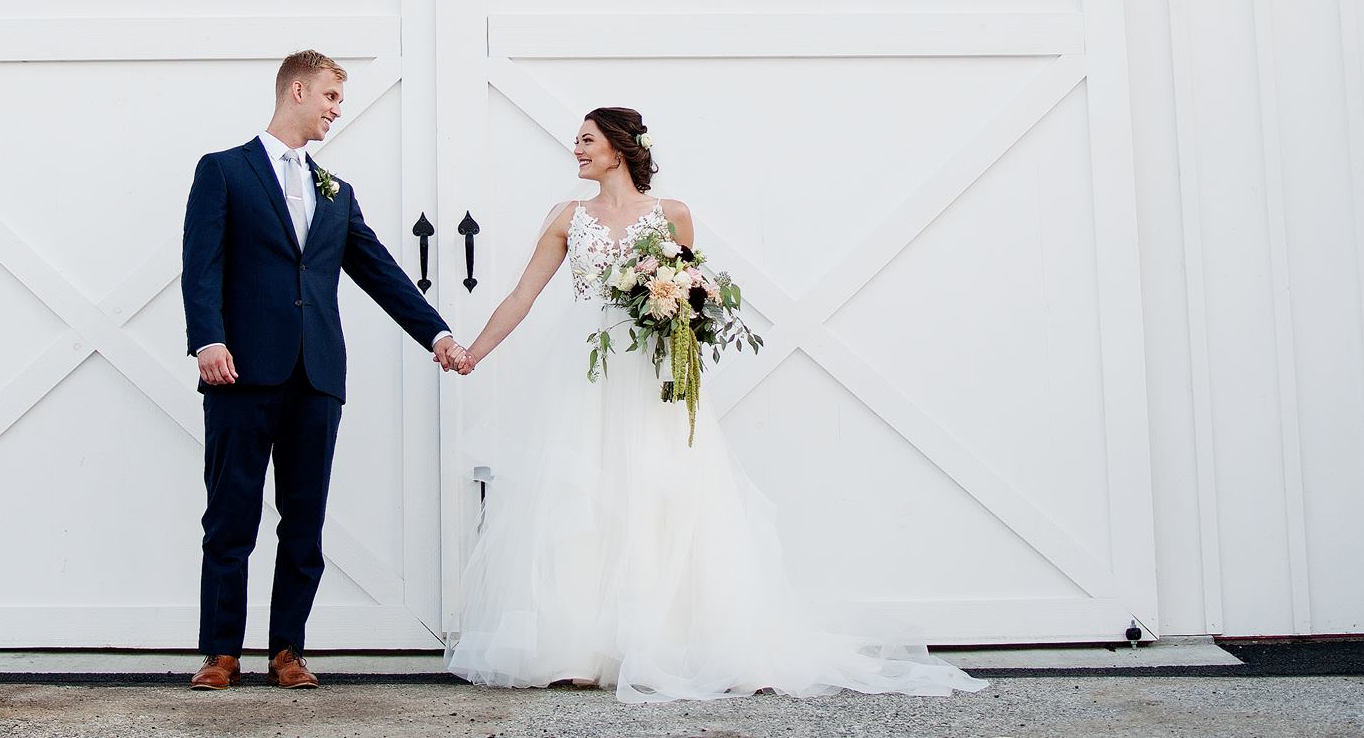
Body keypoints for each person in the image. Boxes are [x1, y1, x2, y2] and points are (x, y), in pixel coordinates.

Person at [446, 106, 987, 703]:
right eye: (576, 141)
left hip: (654, 379)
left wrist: (681, 312)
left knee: (665, 493)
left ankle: (670, 641)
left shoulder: (672, 215)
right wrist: (474, 352)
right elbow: (524, 294)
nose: (576, 150)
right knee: (584, 496)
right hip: (587, 374)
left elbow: (689, 296)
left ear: (619, 149)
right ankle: (577, 646)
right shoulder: (567, 218)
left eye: (586, 141)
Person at [181, 50, 471, 691]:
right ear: (298, 91)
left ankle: (288, 650)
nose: (338, 110)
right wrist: (208, 340)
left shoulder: (336, 191)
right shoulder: (223, 171)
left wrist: (439, 333)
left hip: (317, 376)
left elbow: (380, 271)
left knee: (304, 519)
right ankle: (221, 652)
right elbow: (200, 265)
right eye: (332, 98)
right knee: (230, 515)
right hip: (239, 372)